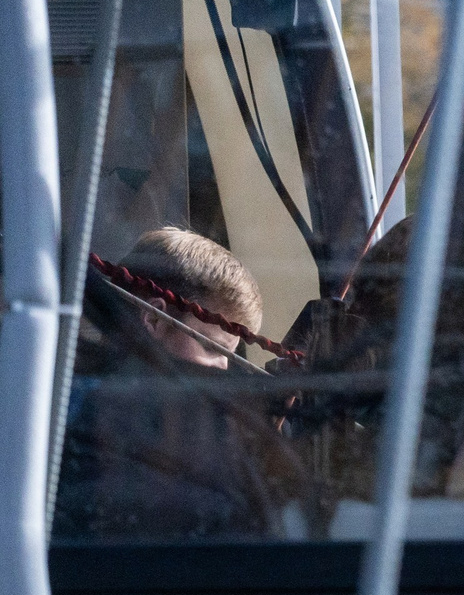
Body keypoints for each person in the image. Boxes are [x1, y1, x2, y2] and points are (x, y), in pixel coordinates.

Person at [53, 228, 294, 538]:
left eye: (230, 358)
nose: (223, 369)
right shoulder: (76, 409)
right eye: (212, 348)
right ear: (154, 320)